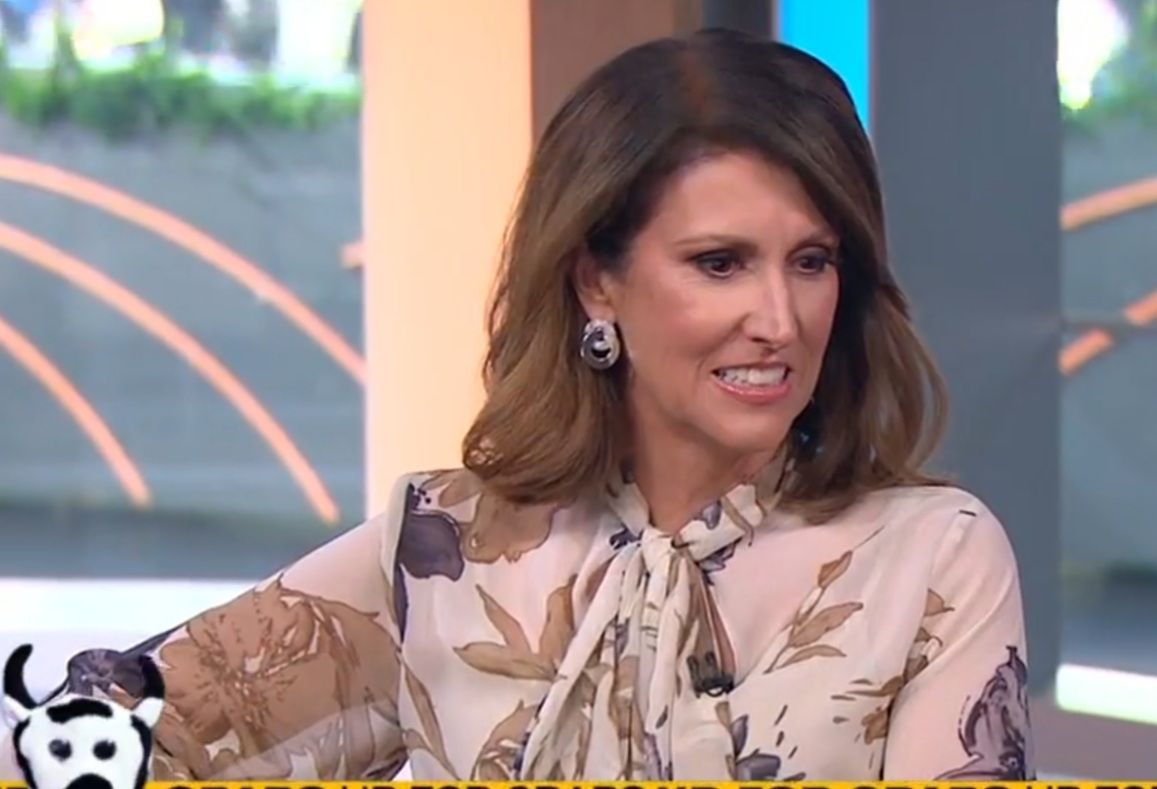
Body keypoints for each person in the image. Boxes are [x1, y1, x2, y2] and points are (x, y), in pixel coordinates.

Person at [0, 29, 1033, 781]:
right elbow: (99, 738)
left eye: (811, 261)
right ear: (596, 282)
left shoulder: (933, 560)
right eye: (719, 263)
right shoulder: (441, 550)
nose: (778, 318)